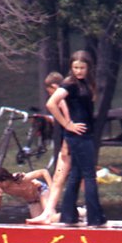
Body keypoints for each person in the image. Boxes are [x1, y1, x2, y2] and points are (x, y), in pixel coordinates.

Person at [46, 51, 106, 227]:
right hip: (77, 134)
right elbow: (51, 103)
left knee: (76, 174)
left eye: (82, 67)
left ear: (88, 68)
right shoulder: (69, 83)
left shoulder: (85, 83)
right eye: (75, 67)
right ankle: (95, 218)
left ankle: (68, 215)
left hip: (85, 133)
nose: (79, 71)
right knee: (89, 175)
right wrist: (67, 124)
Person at [27, 72, 71, 225]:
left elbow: (67, 117)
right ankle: (53, 213)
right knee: (65, 178)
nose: (50, 95)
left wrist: (67, 133)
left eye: (49, 91)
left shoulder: (62, 99)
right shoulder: (70, 95)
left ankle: (51, 213)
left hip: (70, 144)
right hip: (74, 142)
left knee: (60, 178)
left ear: (54, 86)